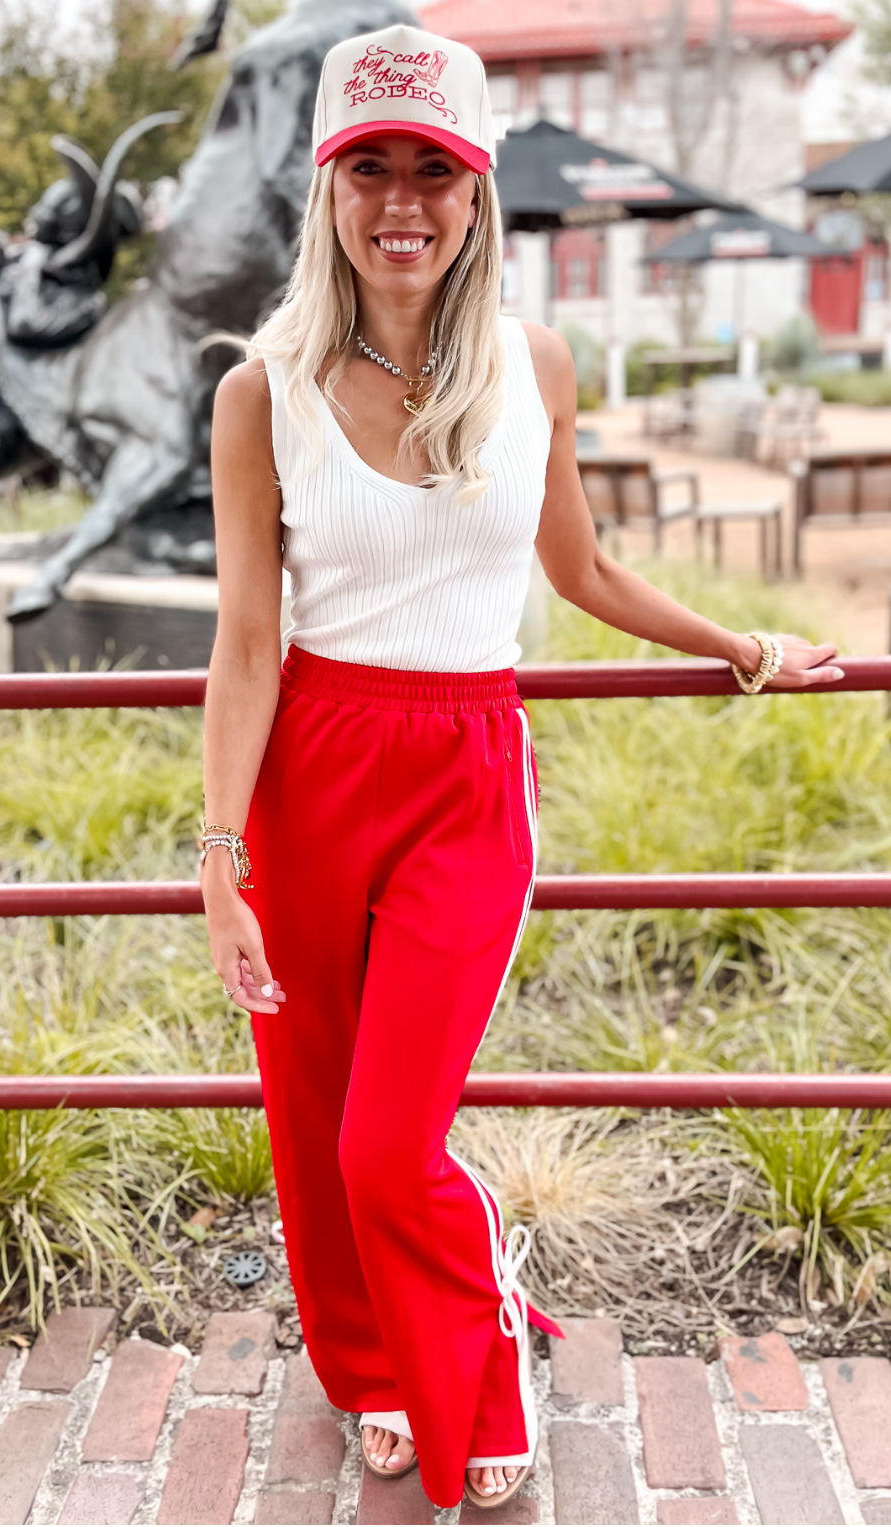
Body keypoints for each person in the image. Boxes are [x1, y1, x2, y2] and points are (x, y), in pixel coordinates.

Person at [198, 23, 843, 1512]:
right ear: (327, 187)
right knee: (314, 1117)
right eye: (370, 167)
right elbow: (247, 642)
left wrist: (742, 645)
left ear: (478, 190)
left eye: (434, 169)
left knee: (388, 1145)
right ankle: (368, 1371)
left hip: (466, 774)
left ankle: (483, 1362)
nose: (401, 201)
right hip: (308, 772)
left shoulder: (533, 364)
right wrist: (220, 856)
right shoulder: (261, 393)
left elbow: (586, 570)